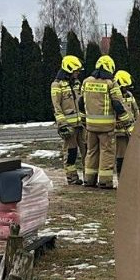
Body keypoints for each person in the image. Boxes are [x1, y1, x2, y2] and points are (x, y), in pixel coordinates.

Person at [79, 55, 132, 189]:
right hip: (106, 127)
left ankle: (89, 179)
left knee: (91, 152)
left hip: (90, 126)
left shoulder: (86, 82)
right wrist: (127, 122)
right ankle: (105, 181)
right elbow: (118, 104)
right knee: (106, 152)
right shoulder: (110, 83)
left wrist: (84, 119)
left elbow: (81, 102)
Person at [51, 55, 87, 185]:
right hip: (69, 126)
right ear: (69, 69)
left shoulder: (77, 83)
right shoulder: (57, 85)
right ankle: (72, 178)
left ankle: (89, 177)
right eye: (76, 71)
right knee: (71, 153)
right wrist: (62, 124)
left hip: (81, 125)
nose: (78, 73)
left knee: (87, 152)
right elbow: (57, 107)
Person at [113, 70, 140, 179]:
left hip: (131, 132)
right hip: (119, 133)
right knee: (121, 157)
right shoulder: (114, 97)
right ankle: (121, 177)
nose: (126, 89)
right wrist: (116, 124)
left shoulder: (129, 95)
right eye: (125, 87)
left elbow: (135, 110)